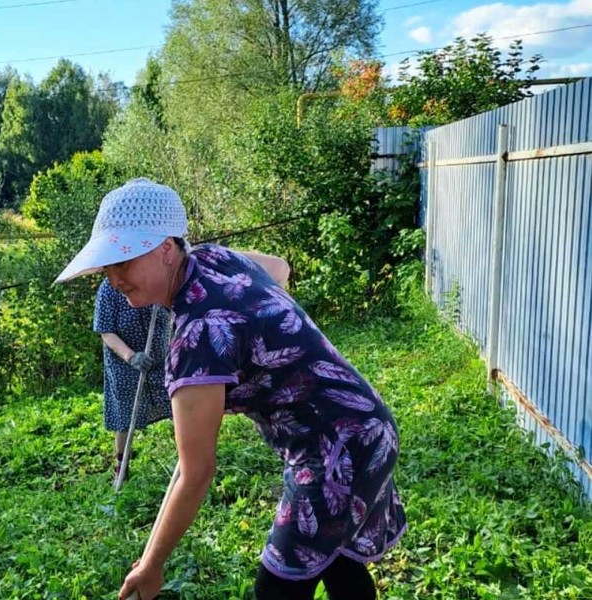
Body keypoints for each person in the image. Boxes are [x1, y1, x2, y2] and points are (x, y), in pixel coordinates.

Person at [55, 178, 406, 600]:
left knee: (276, 589)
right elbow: (278, 267)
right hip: (367, 426)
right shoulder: (212, 258)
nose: (113, 279)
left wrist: (152, 565)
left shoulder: (199, 335)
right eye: (107, 266)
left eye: (123, 262)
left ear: (167, 249)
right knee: (338, 559)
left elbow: (195, 471)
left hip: (336, 452)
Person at [93, 278, 172, 477]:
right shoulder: (108, 289)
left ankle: (189, 459)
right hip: (125, 363)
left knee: (175, 405)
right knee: (126, 415)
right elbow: (105, 331)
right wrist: (131, 356)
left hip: (161, 359)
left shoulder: (154, 277)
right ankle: (122, 465)